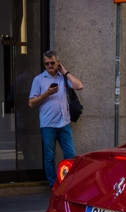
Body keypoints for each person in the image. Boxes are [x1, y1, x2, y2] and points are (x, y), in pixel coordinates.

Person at [29, 50, 84, 188]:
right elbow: (31, 103)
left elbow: (79, 86)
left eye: (52, 63)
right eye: (46, 63)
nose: (49, 66)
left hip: (64, 123)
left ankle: (69, 183)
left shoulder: (63, 77)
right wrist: (46, 93)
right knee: (49, 156)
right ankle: (53, 185)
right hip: (48, 124)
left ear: (58, 63)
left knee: (71, 155)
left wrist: (65, 72)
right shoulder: (39, 80)